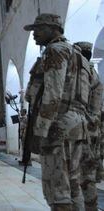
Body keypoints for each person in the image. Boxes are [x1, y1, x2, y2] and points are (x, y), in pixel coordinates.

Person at [24, 14, 88, 210]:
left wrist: (40, 130)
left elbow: (53, 93)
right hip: (76, 124)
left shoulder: (55, 50)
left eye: (39, 29)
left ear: (54, 28)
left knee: (57, 187)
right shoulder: (77, 54)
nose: (34, 34)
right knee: (73, 183)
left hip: (57, 125)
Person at [74, 41, 103, 210]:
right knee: (89, 177)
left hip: (82, 131)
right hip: (93, 132)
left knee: (77, 176)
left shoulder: (83, 75)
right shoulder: (95, 75)